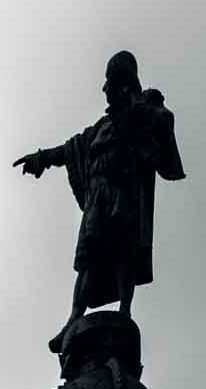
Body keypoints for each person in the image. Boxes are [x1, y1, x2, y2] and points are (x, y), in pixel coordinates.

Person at [15, 51, 184, 353]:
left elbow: (163, 121)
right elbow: (71, 149)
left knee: (124, 252)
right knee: (88, 262)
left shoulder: (140, 112)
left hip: (123, 193)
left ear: (122, 84)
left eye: (109, 82)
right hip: (98, 199)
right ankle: (73, 318)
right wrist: (41, 158)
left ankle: (125, 312)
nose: (103, 89)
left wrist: (140, 109)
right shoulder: (101, 128)